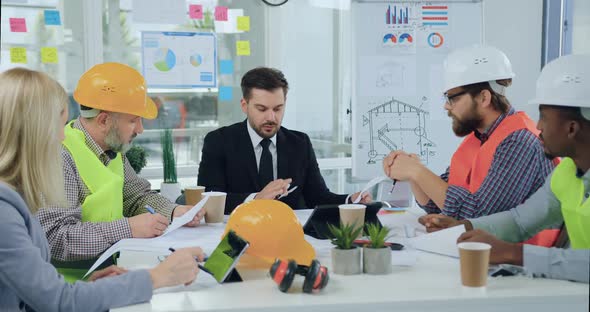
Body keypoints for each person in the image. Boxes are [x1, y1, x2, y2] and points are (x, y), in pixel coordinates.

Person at [0, 68, 206, 311]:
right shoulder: (7, 209)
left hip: (80, 285)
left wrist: (174, 212)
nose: (61, 137)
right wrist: (158, 276)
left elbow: (31, 290)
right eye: (57, 125)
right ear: (104, 120)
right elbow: (56, 290)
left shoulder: (113, 148)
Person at [419, 55, 590, 283]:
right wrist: (464, 226)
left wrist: (514, 253)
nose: (537, 126)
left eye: (544, 118)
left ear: (571, 128)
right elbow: (519, 220)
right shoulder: (568, 172)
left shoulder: (520, 141)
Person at [383, 46, 555, 239]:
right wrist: (413, 175)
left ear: (484, 97)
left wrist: (417, 171)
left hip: (518, 264)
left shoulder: (519, 142)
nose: (446, 105)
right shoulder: (479, 138)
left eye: (452, 98)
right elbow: (436, 204)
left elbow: (478, 219)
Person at [198, 67, 370, 214]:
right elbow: (209, 199)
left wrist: (351, 200)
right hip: (237, 233)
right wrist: (256, 199)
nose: (271, 117)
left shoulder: (299, 143)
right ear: (245, 105)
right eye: (262, 109)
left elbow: (318, 197)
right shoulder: (219, 142)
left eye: (278, 109)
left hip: (290, 236)